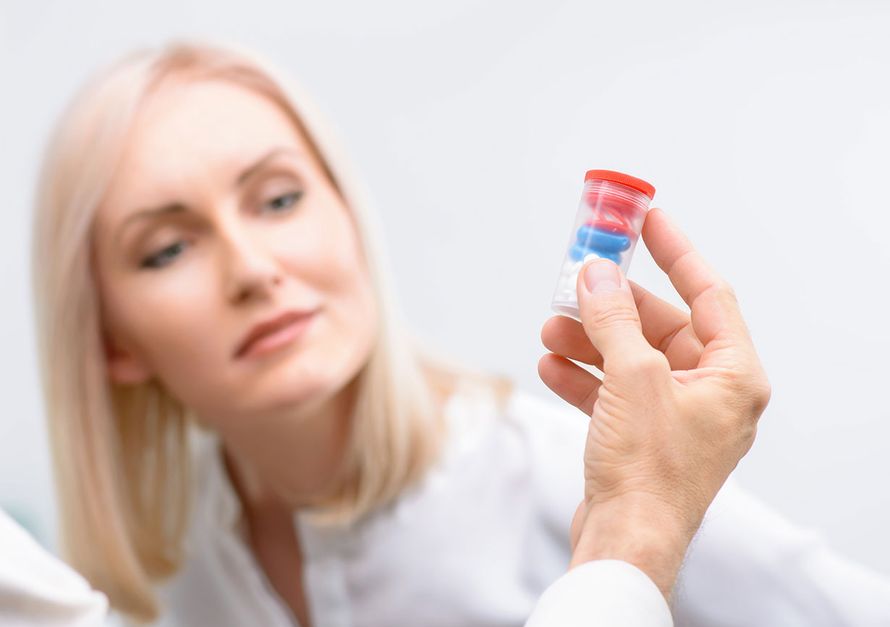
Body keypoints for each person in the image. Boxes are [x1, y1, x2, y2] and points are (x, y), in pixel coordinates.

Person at [28, 40, 890, 626]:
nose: (252, 267)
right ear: (113, 342)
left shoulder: (572, 475)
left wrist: (634, 541)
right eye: (167, 248)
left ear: (349, 216)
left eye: (280, 198)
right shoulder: (177, 569)